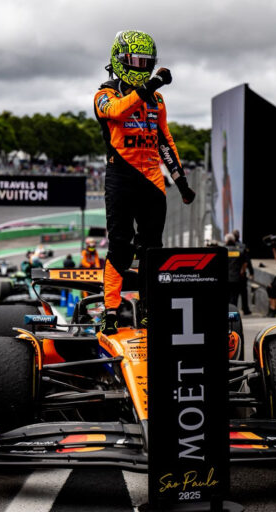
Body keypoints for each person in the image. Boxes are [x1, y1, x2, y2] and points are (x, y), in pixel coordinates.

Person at [93, 30, 195, 335]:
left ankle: (150, 309)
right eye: (136, 61)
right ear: (121, 60)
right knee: (120, 247)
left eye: (146, 62)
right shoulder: (104, 94)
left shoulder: (158, 99)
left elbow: (165, 140)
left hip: (152, 179)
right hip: (120, 177)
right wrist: (151, 85)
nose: (141, 66)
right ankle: (110, 310)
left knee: (152, 249)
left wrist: (181, 182)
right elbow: (117, 111)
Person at [233, 229, 252, 315]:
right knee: (243, 293)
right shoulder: (243, 247)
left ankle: (233, 311)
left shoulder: (228, 248)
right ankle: (245, 309)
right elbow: (247, 261)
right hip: (242, 274)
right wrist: (251, 272)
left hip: (233, 275)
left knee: (234, 295)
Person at [225, 233, 247, 308]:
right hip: (236, 278)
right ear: (234, 241)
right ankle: (233, 315)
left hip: (226, 279)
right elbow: (245, 263)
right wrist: (242, 271)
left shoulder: (223, 251)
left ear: (226, 241)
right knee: (234, 298)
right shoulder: (239, 251)